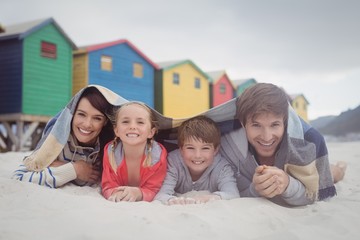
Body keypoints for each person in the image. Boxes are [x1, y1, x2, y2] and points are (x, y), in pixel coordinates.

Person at [220, 83, 346, 206]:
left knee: (332, 175)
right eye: (256, 125)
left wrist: (287, 184)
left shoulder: (304, 144)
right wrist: (256, 189)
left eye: (274, 125)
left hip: (306, 170)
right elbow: (237, 192)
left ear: (285, 123)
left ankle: (340, 167)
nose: (266, 137)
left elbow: (313, 193)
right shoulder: (228, 146)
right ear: (243, 123)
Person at [12, 86, 116, 188]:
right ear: (72, 115)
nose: (87, 124)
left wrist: (57, 165)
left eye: (97, 118)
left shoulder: (107, 147)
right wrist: (75, 169)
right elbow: (18, 178)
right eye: (81, 114)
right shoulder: (57, 139)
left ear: (105, 121)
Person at [155, 115, 240, 205]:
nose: (197, 155)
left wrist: (213, 197)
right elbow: (161, 195)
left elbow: (233, 194)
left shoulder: (222, 167)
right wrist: (172, 200)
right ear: (181, 149)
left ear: (215, 150)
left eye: (205, 148)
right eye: (190, 148)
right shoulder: (172, 163)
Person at [101, 102, 168, 202]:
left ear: (151, 132)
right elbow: (108, 185)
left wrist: (139, 193)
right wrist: (115, 192)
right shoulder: (111, 153)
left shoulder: (157, 157)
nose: (132, 126)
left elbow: (155, 189)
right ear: (116, 131)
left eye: (140, 122)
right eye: (125, 121)